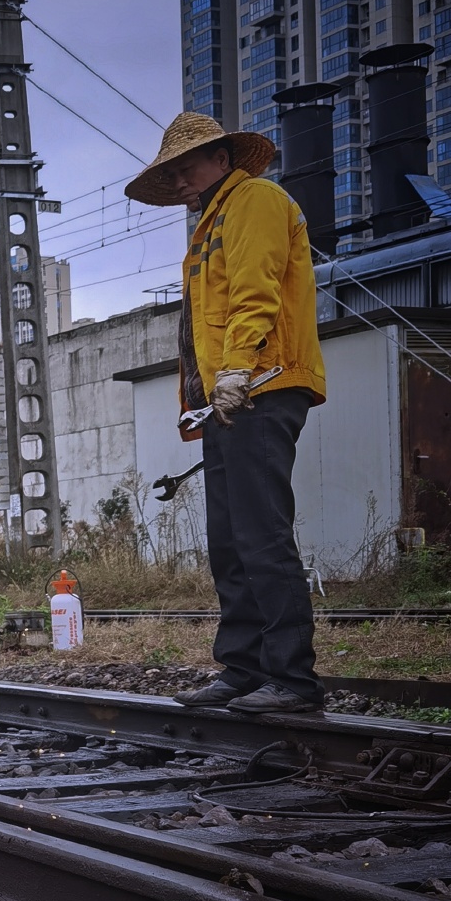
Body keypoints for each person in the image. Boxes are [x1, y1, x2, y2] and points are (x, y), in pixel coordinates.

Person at [124, 112, 327, 714]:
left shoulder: (255, 201)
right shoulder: (212, 222)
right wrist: (213, 395)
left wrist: (237, 369)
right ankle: (243, 668)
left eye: (187, 168)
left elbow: (255, 292)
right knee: (230, 540)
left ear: (221, 157)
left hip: (262, 385)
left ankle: (293, 680)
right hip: (228, 400)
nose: (181, 181)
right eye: (174, 173)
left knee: (262, 536)